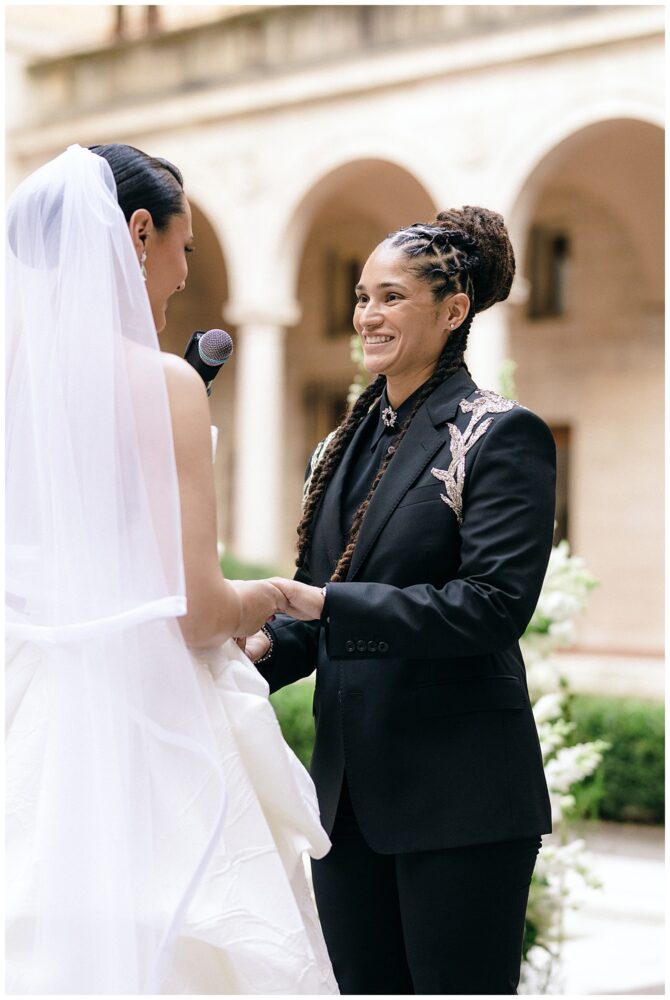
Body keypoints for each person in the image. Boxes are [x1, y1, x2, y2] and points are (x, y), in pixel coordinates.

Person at [5, 143, 337, 994]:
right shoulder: (162, 385)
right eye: (184, 247)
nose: (186, 275)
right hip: (144, 729)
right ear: (140, 232)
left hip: (27, 711)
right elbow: (197, 611)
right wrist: (274, 595)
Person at [245, 208, 557, 995]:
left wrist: (323, 609)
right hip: (345, 805)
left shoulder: (501, 434)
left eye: (390, 297)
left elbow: (491, 606)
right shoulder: (339, 445)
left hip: (461, 804)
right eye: (360, 297)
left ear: (453, 312)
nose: (366, 316)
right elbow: (317, 609)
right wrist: (256, 653)